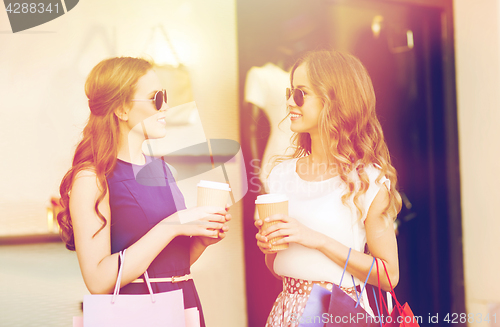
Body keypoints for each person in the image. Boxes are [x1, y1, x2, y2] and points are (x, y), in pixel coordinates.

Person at [57, 57, 230, 327]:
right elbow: (98, 280)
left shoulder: (162, 169)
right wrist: (173, 226)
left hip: (183, 303)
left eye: (165, 97)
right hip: (137, 313)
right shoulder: (92, 178)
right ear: (122, 109)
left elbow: (172, 266)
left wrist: (201, 240)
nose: (166, 107)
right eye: (156, 98)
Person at [254, 50, 402, 326]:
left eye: (301, 94)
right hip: (287, 310)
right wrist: (270, 248)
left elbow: (388, 275)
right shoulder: (281, 175)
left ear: (335, 100)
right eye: (290, 92)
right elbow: (278, 268)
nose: (289, 102)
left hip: (339, 311)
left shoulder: (368, 180)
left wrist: (318, 239)